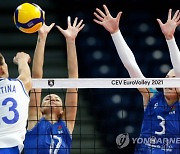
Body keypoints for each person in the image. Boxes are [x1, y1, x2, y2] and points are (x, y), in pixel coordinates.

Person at [94, 4, 180, 154]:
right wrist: (115, 33)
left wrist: (170, 39)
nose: (168, 82)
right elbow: (132, 67)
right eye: (166, 78)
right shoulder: (152, 95)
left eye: (173, 79)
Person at [24, 16, 84, 154]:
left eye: (57, 99)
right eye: (47, 98)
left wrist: (71, 41)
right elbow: (37, 77)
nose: (52, 98)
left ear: (63, 110)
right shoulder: (34, 120)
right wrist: (42, 37)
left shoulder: (67, 124)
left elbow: (73, 80)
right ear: (40, 108)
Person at [0, 52, 32, 154]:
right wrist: (22, 60)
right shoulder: (19, 86)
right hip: (9, 148)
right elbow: (26, 76)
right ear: (2, 69)